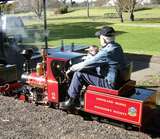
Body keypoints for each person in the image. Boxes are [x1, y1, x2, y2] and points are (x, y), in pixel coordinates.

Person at [60, 26, 128, 110]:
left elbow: (86, 65)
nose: (99, 40)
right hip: (118, 80)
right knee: (90, 70)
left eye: (99, 37)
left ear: (103, 39)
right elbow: (99, 60)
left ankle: (71, 101)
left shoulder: (107, 52)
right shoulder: (117, 46)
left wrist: (71, 68)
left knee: (79, 73)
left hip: (109, 83)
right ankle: (81, 97)